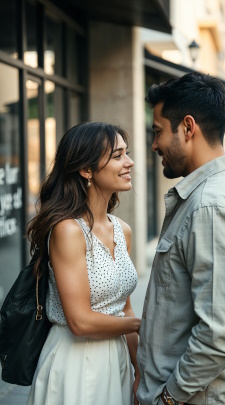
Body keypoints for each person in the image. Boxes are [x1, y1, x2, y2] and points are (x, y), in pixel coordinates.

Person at [136, 73, 225, 405]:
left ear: (188, 128)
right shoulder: (217, 195)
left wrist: (170, 396)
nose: (154, 145)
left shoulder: (212, 206)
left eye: (158, 131)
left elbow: (222, 332)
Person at [26, 122, 141, 405]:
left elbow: (124, 308)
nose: (130, 163)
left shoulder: (122, 230)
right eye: (117, 156)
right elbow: (79, 321)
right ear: (86, 170)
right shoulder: (68, 231)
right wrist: (143, 324)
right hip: (77, 362)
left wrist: (140, 370)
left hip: (118, 360)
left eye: (127, 154)